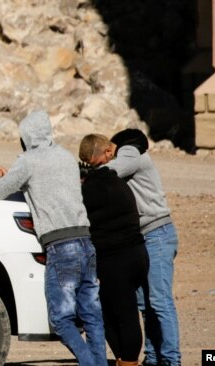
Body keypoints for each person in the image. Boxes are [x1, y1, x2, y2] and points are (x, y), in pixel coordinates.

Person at [0, 110, 106, 366]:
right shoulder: (65, 156)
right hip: (86, 242)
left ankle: (89, 363)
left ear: (26, 136)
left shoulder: (28, 160)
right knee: (92, 314)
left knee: (61, 320)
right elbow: (48, 185)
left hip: (62, 247)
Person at [91, 129, 181, 366]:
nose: (108, 156)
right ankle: (152, 357)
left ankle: (172, 360)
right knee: (145, 304)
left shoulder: (131, 152)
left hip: (157, 234)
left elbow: (112, 170)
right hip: (142, 238)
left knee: (160, 302)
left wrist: (89, 173)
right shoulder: (131, 154)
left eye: (110, 151)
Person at [78, 135, 149, 366]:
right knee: (125, 311)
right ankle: (126, 360)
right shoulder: (117, 181)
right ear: (106, 154)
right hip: (138, 254)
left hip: (115, 260)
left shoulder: (90, 190)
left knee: (115, 314)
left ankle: (126, 361)